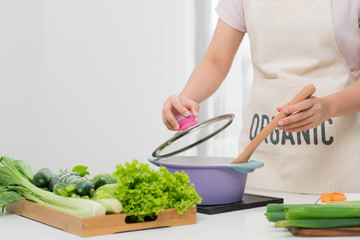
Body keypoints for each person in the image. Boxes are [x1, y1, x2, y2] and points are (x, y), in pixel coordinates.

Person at [161, 0, 360, 194]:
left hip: (337, 160)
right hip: (263, 156)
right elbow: (215, 61)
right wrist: (185, 99)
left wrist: (328, 107)